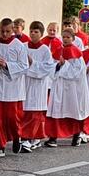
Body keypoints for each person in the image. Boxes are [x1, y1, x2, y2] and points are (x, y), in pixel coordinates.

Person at [0, 18, 27, 156]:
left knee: (12, 118)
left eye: (8, 31)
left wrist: (7, 65)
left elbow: (24, 66)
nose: (4, 34)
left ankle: (17, 137)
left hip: (13, 88)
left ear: (13, 31)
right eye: (2, 31)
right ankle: (0, 146)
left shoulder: (19, 46)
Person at [47, 27, 89, 147]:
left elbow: (78, 71)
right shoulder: (59, 50)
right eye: (64, 37)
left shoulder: (76, 52)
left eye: (68, 37)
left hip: (72, 88)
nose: (65, 39)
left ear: (73, 38)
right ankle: (53, 137)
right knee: (56, 110)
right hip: (59, 85)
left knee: (73, 110)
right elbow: (51, 66)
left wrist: (64, 64)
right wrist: (58, 66)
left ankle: (76, 135)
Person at [19, 22, 56, 152]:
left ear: (41, 34)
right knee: (24, 112)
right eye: (32, 31)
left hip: (38, 85)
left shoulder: (45, 50)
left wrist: (32, 63)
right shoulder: (23, 47)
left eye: (36, 32)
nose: (33, 34)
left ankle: (27, 138)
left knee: (34, 114)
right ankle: (31, 137)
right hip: (24, 83)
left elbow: (48, 67)